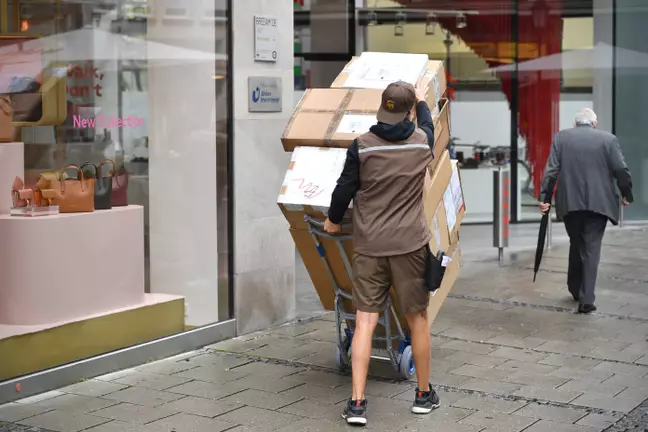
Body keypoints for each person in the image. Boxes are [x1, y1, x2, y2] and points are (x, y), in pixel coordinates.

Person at [323, 81, 440, 426]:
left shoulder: (361, 147)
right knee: (417, 319)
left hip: (370, 247)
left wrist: (332, 221)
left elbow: (344, 189)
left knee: (365, 321)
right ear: (408, 112)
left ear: (382, 108)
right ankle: (423, 396)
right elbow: (429, 124)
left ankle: (357, 403)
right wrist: (421, 102)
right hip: (410, 247)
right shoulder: (422, 142)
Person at [538, 108, 633, 314]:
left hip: (570, 202)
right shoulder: (608, 139)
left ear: (575, 124)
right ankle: (586, 299)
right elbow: (620, 169)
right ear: (594, 123)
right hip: (599, 203)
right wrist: (627, 194)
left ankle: (575, 288)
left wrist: (544, 198)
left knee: (576, 242)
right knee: (591, 246)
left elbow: (551, 170)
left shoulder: (561, 138)